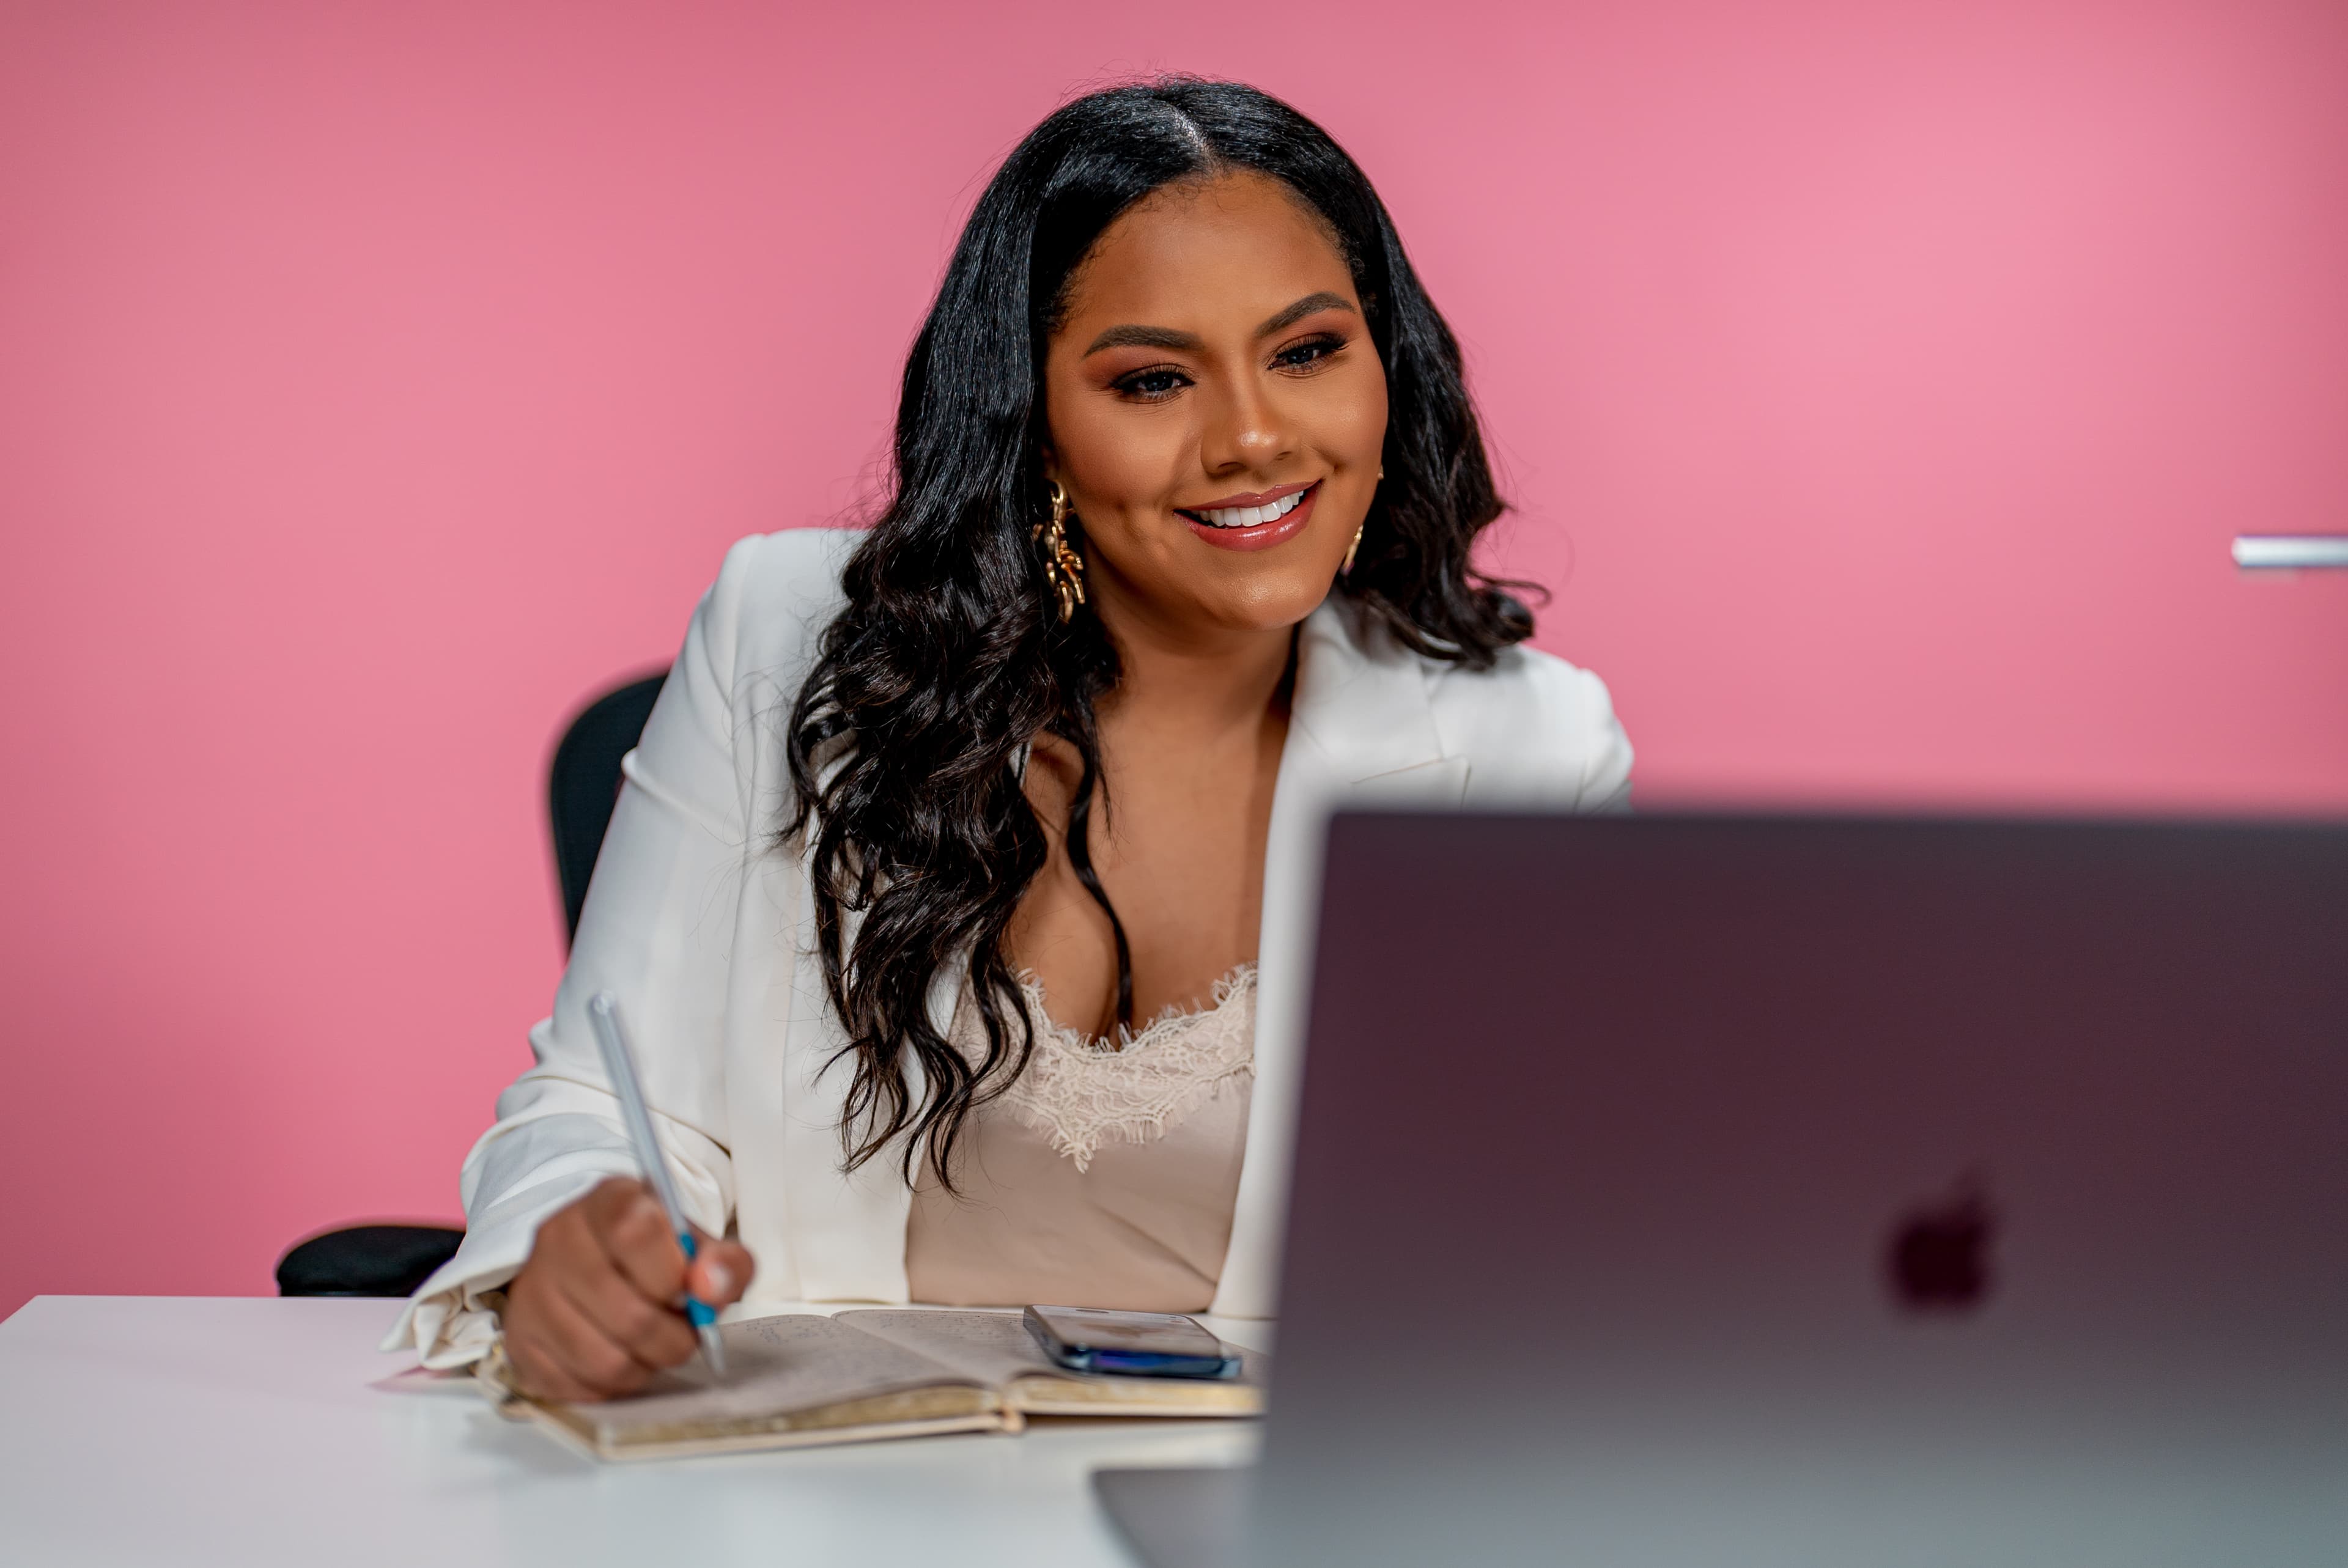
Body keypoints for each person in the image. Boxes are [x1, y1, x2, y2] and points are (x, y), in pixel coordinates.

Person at [386, 77, 1632, 1402]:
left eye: (1310, 351)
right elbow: (594, 1105)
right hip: (830, 1494)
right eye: (1154, 379)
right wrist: (564, 1255)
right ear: (1032, 421)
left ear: (1390, 364)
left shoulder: (1530, 752)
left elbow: (1563, 1246)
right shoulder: (782, 637)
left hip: (1256, 1507)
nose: (1255, 436)